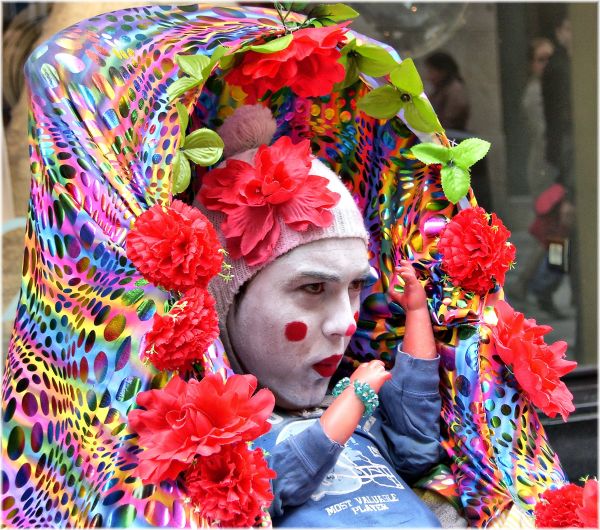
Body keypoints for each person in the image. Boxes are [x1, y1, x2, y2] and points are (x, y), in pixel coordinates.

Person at [194, 105, 446, 527]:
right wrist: (357, 397)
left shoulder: (356, 409)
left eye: (355, 288)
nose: (346, 322)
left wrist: (417, 314)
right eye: (313, 289)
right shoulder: (234, 441)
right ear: (226, 305)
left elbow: (417, 445)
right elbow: (283, 479)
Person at [423, 52, 470, 132]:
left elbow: (449, 119)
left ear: (443, 71)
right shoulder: (438, 90)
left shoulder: (454, 89)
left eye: (431, 72)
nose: (428, 77)